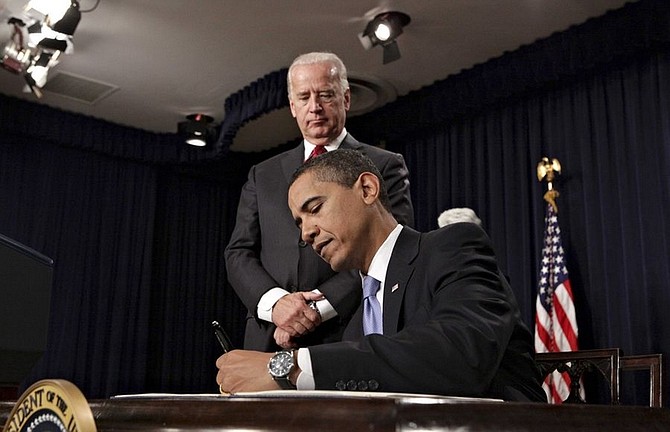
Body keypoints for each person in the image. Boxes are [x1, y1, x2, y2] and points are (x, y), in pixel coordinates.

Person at [217, 149, 546, 402]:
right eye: (299, 223)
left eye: (314, 209)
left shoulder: (452, 247)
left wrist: (289, 367)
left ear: (367, 189)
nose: (306, 234)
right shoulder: (358, 318)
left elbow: (461, 354)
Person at [225, 52, 414, 352]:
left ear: (346, 98)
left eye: (325, 94)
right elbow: (238, 253)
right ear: (292, 106)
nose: (315, 107)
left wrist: (313, 312)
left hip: (346, 334)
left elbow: (388, 247)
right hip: (268, 338)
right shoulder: (263, 174)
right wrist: (276, 306)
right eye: (303, 97)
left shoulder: (383, 165)